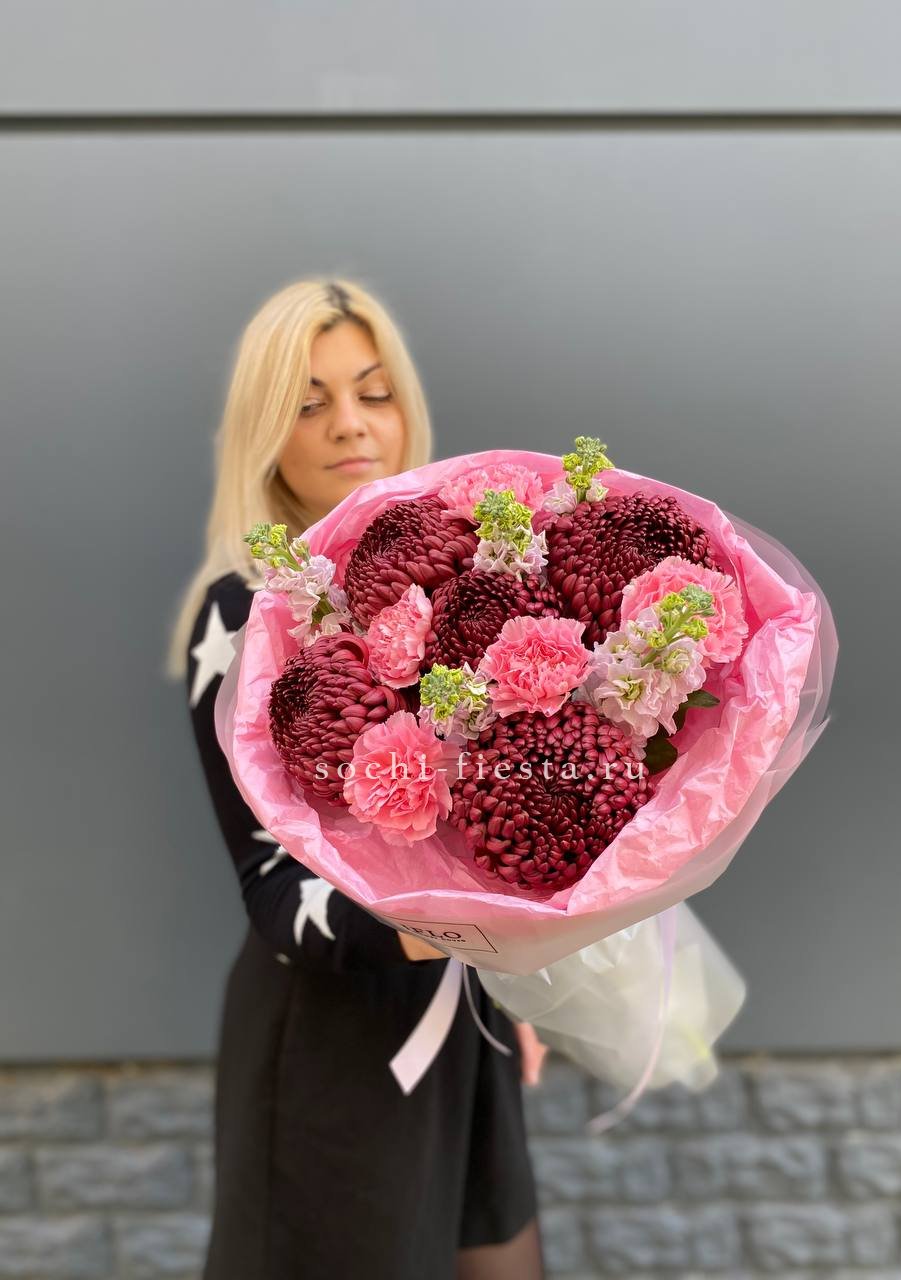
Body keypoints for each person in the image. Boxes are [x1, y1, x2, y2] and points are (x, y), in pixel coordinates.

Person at [165, 278, 548, 1280]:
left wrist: (527, 967)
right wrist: (464, 929)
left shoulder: (464, 581)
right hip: (333, 1047)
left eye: (373, 392)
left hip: (464, 1015)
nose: (350, 422)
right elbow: (272, 892)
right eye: (308, 402)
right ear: (265, 433)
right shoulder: (243, 613)